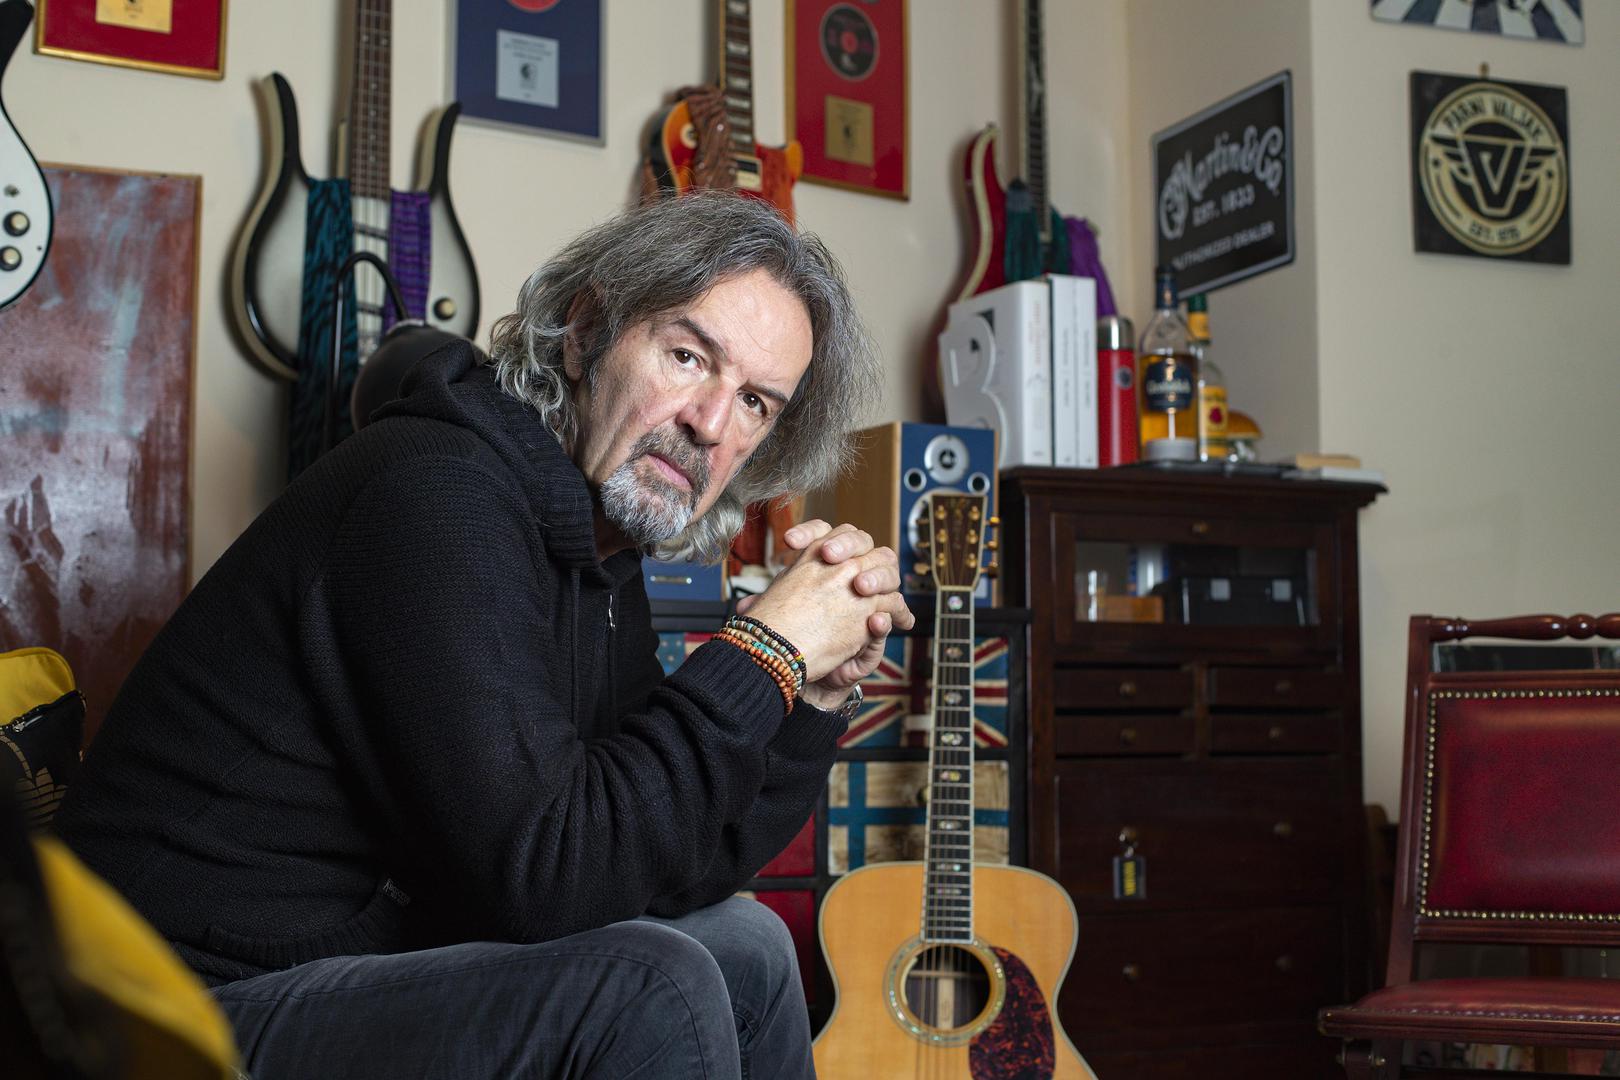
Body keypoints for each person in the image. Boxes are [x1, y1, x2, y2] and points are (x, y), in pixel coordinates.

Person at [56, 192, 911, 1079]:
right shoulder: (436, 494)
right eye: (688, 356)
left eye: (756, 403)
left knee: (747, 947)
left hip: (349, 963)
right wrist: (761, 653)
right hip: (158, 1004)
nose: (711, 423)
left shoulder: (598, 558)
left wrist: (810, 701)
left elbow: (657, 863)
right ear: (585, 332)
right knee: (649, 986)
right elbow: (546, 875)